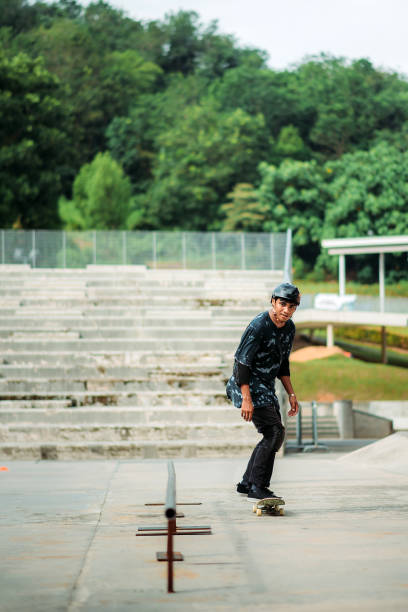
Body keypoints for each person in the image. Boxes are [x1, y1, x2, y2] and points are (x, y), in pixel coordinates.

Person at [226, 282, 301, 500]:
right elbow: (242, 363)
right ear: (273, 302)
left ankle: (247, 482)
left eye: (292, 307)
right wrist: (246, 399)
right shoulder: (259, 325)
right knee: (275, 432)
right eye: (283, 304)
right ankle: (258, 486)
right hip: (246, 384)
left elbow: (283, 364)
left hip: (266, 387)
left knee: (274, 433)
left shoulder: (289, 328)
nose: (286, 310)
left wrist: (291, 394)